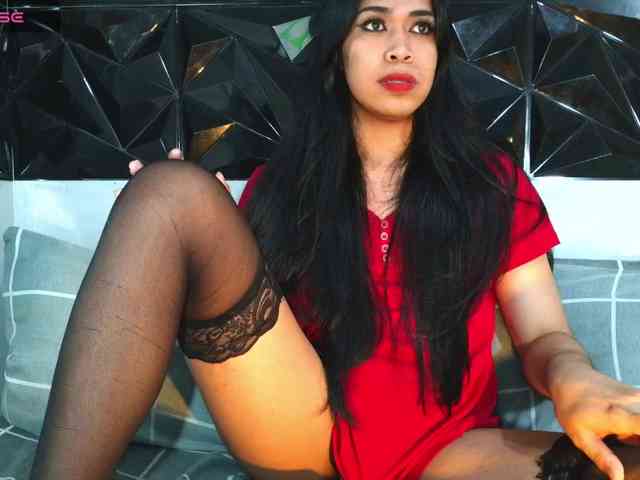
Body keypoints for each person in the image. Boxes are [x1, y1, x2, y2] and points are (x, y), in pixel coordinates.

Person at [29, 0, 640, 479]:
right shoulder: (280, 186)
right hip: (306, 435)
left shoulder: (493, 183)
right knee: (170, 191)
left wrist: (573, 378)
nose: (401, 47)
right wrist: (183, 222)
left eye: (421, 28)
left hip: (455, 450)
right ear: (337, 51)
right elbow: (255, 329)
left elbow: (545, 336)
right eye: (374, 24)